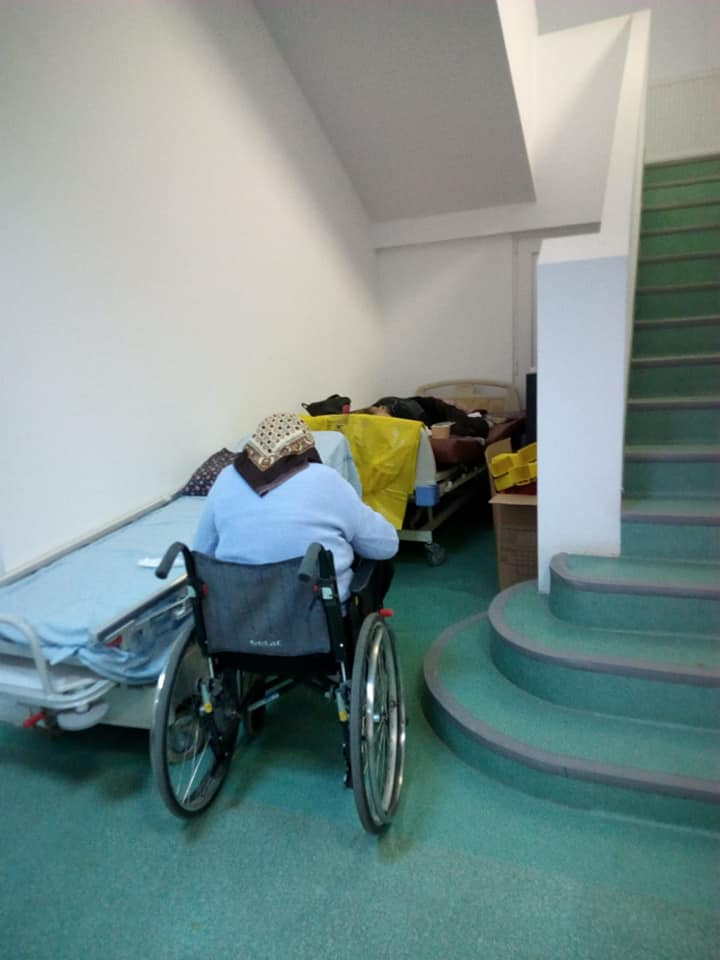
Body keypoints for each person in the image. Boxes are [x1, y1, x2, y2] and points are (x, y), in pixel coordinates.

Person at [193, 412, 398, 603]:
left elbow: (202, 551)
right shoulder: (326, 479)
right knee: (375, 558)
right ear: (305, 446)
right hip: (316, 615)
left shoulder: (227, 477)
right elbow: (385, 545)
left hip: (239, 613)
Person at [368, 395, 490, 439]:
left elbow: (424, 429)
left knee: (464, 428)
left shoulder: (400, 407)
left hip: (435, 410)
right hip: (429, 414)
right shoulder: (369, 418)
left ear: (382, 408)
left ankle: (486, 421)